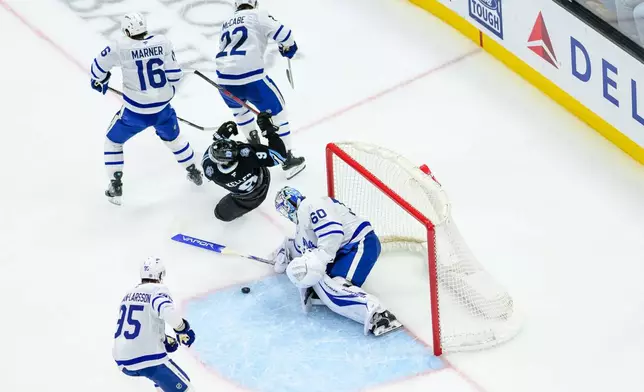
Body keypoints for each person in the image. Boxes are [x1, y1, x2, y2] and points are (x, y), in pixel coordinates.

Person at [90, 12, 203, 205]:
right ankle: (194, 171)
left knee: (112, 142)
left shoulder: (119, 46)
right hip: (162, 110)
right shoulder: (162, 42)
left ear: (126, 30)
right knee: (175, 140)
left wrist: (100, 81)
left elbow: (97, 70)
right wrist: (163, 96)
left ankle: (115, 184)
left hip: (135, 112)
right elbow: (175, 75)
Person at [271, 187, 403, 336]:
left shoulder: (311, 204)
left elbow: (333, 232)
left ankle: (379, 315)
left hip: (360, 244)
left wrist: (319, 260)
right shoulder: (302, 225)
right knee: (325, 285)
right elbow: (299, 248)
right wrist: (283, 253)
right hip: (345, 251)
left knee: (334, 287)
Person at [215, 0, 305, 179]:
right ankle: (287, 159)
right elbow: (285, 35)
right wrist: (288, 47)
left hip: (223, 80)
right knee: (278, 114)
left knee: (241, 113)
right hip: (251, 77)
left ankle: (254, 145)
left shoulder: (227, 23)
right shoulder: (258, 14)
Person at [113, 257, 197, 392]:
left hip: (122, 360)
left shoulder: (128, 295)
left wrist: (163, 338)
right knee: (186, 388)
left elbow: (141, 323)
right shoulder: (156, 290)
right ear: (159, 274)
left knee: (161, 383)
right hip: (147, 358)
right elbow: (167, 311)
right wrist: (182, 329)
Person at [202, 112, 288, 221]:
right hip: (260, 184)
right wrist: (269, 132)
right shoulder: (247, 155)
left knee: (220, 214)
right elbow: (280, 156)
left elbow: (212, 154)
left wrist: (219, 139)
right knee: (256, 157)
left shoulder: (210, 170)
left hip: (243, 197)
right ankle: (260, 151)